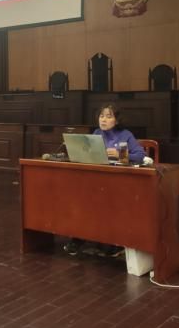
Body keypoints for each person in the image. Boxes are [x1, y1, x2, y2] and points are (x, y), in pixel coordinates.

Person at [63, 104, 152, 257]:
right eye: (101, 116)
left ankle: (111, 241)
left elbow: (140, 156)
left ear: (116, 120)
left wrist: (119, 154)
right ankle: (79, 237)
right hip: (98, 180)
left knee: (103, 201)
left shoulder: (125, 135)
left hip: (120, 182)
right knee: (81, 200)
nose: (103, 120)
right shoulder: (97, 133)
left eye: (108, 116)